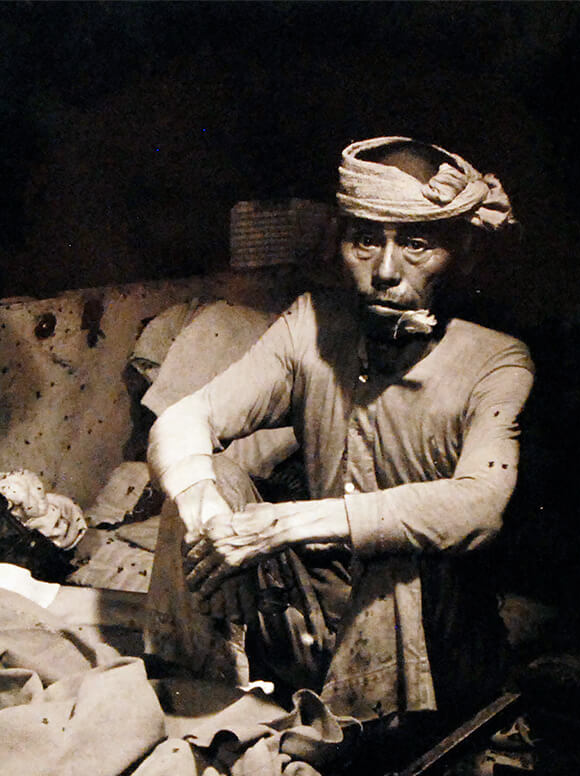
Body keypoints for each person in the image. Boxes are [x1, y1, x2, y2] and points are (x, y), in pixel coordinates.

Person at [144, 136, 534, 743]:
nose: (384, 271)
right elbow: (183, 419)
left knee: (401, 541)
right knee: (204, 480)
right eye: (364, 241)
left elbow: (479, 505)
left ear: (460, 255)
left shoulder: (496, 360)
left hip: (427, 641)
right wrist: (207, 517)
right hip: (313, 614)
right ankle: (201, 698)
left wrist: (289, 523)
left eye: (415, 244)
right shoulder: (311, 325)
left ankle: (353, 741)